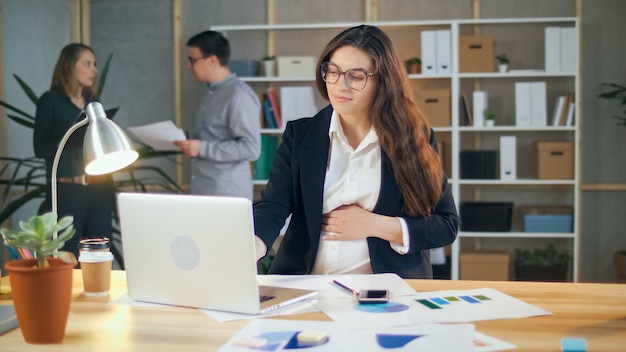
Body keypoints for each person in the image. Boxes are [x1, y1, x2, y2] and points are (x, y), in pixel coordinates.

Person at [252, 25, 459, 279]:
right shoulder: (300, 135)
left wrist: (376, 225)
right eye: (333, 72)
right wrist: (254, 245)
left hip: (385, 293)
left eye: (356, 76)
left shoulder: (413, 138)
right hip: (306, 288)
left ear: (383, 81)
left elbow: (446, 225)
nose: (341, 85)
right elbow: (273, 205)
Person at [33, 43, 113, 259]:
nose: (94, 70)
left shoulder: (93, 103)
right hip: (67, 192)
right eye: (87, 64)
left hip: (98, 190)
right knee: (66, 257)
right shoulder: (50, 101)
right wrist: (68, 140)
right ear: (69, 66)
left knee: (99, 256)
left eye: (94, 64)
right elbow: (40, 148)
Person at [174, 30, 261, 201]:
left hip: (227, 196)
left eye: (192, 60)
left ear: (212, 60)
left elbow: (251, 148)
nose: (188, 66)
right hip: (204, 190)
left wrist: (201, 148)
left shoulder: (239, 95)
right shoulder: (211, 92)